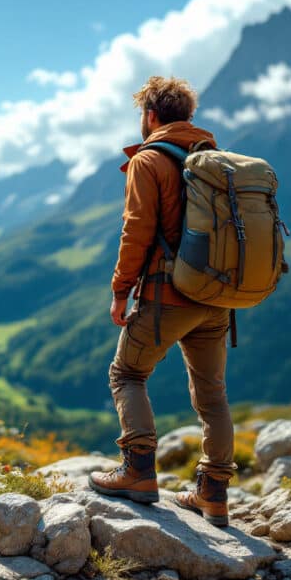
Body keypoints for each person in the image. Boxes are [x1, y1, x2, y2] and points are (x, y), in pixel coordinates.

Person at [88, 76, 236, 527]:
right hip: (218, 297)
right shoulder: (218, 161)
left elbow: (136, 233)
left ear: (151, 116)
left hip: (168, 294)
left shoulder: (149, 160)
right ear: (188, 116)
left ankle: (137, 470)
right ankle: (213, 494)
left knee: (127, 372)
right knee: (212, 395)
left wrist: (120, 291)